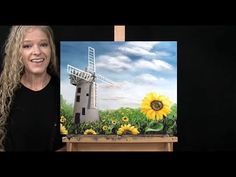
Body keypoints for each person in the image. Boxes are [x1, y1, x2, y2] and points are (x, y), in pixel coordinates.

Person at [0, 26, 62, 151]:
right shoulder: (3, 92)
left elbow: (74, 145)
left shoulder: (65, 91)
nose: (37, 51)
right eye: (27, 46)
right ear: (17, 52)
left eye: (43, 44)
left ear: (51, 49)